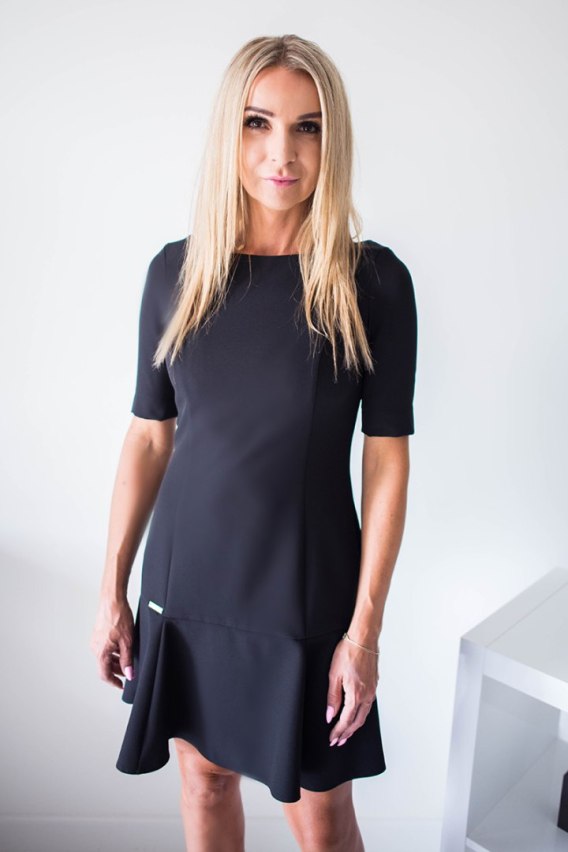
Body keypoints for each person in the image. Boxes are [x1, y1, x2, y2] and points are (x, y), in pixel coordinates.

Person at [90, 32, 417, 852]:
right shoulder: (176, 273)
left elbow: (386, 457)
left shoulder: (372, 282)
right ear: (228, 133)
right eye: (258, 123)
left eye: (308, 127)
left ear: (332, 141)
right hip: (188, 579)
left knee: (322, 818)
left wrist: (364, 632)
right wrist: (111, 589)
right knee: (203, 783)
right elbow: (150, 438)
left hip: (305, 589)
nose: (282, 152)